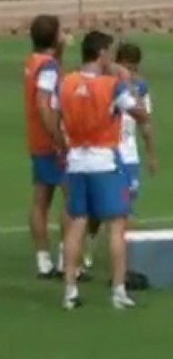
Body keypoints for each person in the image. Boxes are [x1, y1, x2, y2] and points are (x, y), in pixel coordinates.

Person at [57, 31, 150, 310]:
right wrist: (127, 81)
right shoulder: (112, 86)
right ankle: (119, 290)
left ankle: (70, 290)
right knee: (117, 225)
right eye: (108, 52)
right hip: (105, 161)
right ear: (101, 53)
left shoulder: (67, 83)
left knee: (77, 223)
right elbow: (141, 113)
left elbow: (58, 113)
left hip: (76, 159)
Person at [83, 42, 159, 268]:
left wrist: (152, 154)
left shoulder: (140, 87)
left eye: (135, 68)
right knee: (98, 207)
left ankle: (122, 259)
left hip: (130, 156)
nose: (131, 72)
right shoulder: (106, 84)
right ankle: (88, 244)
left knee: (125, 209)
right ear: (117, 63)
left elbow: (145, 121)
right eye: (127, 67)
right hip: (106, 152)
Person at [23, 14, 71, 279]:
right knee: (72, 197)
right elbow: (44, 102)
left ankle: (43, 261)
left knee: (41, 199)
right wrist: (58, 138)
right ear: (53, 36)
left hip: (36, 138)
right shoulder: (48, 67)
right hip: (50, 139)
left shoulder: (34, 61)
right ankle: (66, 259)